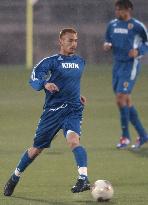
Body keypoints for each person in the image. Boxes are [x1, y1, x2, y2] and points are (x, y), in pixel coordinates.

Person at [4, 28, 90, 196]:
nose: (74, 44)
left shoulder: (80, 61)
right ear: (61, 41)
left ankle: (83, 178)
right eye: (70, 40)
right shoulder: (50, 62)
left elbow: (71, 82)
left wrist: (78, 96)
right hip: (52, 112)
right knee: (36, 149)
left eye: (76, 40)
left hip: (73, 109)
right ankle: (15, 177)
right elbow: (34, 78)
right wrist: (44, 84)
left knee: (73, 141)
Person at [103, 0, 148, 149]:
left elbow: (146, 43)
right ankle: (143, 135)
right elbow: (107, 39)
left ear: (128, 9)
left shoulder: (137, 26)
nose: (117, 12)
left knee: (121, 98)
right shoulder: (112, 25)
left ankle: (125, 137)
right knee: (125, 101)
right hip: (117, 66)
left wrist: (139, 51)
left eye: (119, 10)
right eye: (116, 10)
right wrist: (107, 45)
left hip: (131, 65)